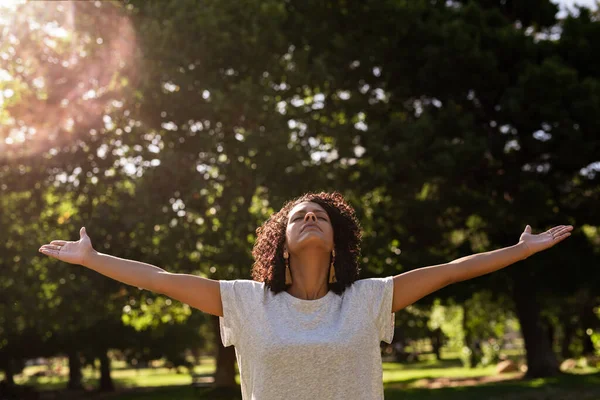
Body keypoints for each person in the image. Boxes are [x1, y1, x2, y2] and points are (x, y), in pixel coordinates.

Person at [38, 191, 573, 399]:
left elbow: (454, 270)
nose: (311, 217)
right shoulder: (245, 301)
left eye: (321, 215)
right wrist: (92, 259)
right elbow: (157, 279)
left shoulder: (369, 298)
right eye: (299, 216)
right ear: (283, 245)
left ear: (336, 239)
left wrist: (518, 252)